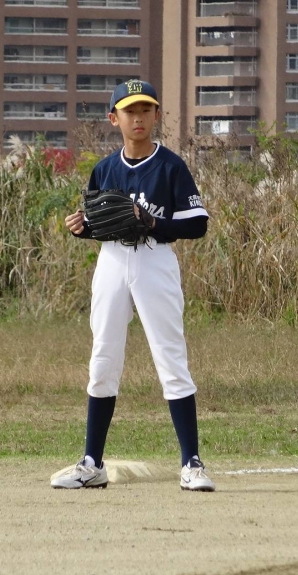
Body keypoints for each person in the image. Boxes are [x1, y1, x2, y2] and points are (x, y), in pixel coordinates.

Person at [50, 79, 215, 492]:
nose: (138, 118)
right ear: (114, 118)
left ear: (157, 115)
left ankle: (192, 463)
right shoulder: (105, 170)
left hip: (155, 260)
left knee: (170, 357)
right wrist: (82, 228)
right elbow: (98, 222)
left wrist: (154, 222)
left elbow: (197, 224)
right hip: (112, 260)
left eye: (145, 110)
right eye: (129, 111)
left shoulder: (171, 166)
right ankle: (92, 463)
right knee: (103, 358)